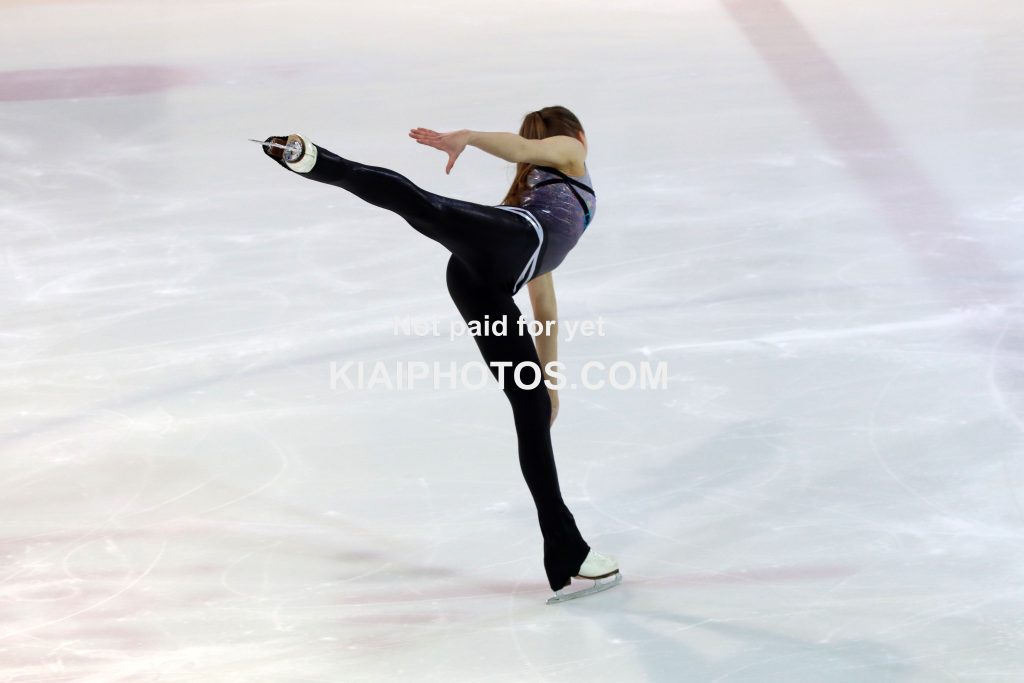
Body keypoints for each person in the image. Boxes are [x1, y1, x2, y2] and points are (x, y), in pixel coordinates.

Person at [258, 105, 620, 603]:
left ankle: (567, 552)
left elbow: (544, 305)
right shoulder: (570, 156)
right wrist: (467, 137)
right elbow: (521, 150)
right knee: (427, 207)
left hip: (482, 280)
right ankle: (317, 160)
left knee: (531, 408)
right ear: (578, 134)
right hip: (503, 250)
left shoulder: (537, 193)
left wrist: (548, 380)